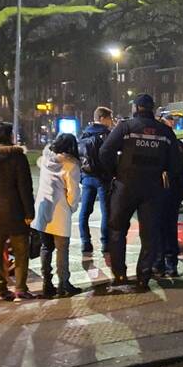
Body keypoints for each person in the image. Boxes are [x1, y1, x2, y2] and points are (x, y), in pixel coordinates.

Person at [99, 93, 182, 292]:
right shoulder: (164, 131)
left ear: (136, 108)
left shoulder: (125, 127)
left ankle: (119, 275)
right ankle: (144, 276)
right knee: (150, 233)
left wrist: (113, 174)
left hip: (125, 185)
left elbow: (104, 152)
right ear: (152, 109)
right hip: (153, 188)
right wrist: (165, 174)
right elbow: (176, 163)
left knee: (117, 230)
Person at [0, 122, 35, 301]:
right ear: (9, 136)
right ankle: (20, 288)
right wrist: (29, 213)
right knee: (20, 249)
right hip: (14, 209)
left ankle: (0, 289)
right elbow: (25, 187)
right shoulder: (17, 157)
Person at [32, 133, 82, 298]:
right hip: (60, 211)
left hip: (42, 208)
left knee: (46, 247)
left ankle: (47, 283)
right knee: (62, 249)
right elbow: (73, 192)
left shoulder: (46, 159)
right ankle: (64, 283)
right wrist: (71, 207)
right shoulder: (71, 165)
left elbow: (39, 162)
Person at [155, 111, 183, 278]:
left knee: (157, 228)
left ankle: (159, 264)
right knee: (170, 228)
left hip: (158, 193)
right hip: (173, 192)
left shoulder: (158, 145)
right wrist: (181, 186)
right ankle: (171, 265)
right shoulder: (178, 145)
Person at [77, 106, 114, 255]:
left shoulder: (84, 134)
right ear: (102, 118)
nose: (111, 122)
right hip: (102, 179)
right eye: (110, 118)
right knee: (106, 212)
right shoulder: (107, 135)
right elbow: (111, 157)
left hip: (87, 178)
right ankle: (106, 243)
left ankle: (85, 242)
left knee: (85, 211)